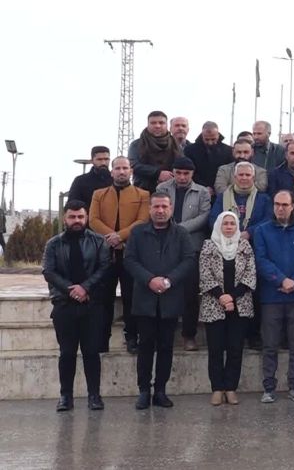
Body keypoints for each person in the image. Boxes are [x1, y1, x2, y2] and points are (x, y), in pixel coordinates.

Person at [125, 192, 197, 409]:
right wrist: (150, 280)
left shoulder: (181, 233)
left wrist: (169, 280)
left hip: (170, 298)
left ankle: (161, 390)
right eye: (156, 206)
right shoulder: (138, 232)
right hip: (145, 299)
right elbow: (129, 260)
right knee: (145, 346)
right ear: (150, 208)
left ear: (171, 208)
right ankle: (144, 391)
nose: (160, 211)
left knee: (166, 347)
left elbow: (189, 260)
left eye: (164, 206)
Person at [43, 200, 111, 412]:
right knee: (67, 353)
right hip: (64, 305)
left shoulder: (99, 242)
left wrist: (85, 288)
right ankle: (65, 397)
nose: (77, 221)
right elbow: (49, 271)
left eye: (80, 217)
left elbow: (105, 268)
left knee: (92, 352)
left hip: (91, 306)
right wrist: (71, 290)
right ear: (65, 218)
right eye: (72, 217)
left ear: (86, 218)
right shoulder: (53, 244)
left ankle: (94, 396)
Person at [254, 190, 294, 403]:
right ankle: (269, 387)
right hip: (272, 295)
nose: (280, 208)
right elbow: (261, 260)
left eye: (284, 204)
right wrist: (281, 280)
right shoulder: (262, 230)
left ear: (292, 206)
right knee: (270, 344)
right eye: (277, 204)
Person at [88, 156, 149, 353]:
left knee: (131, 297)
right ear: (112, 171)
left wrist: (120, 236)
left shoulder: (143, 194)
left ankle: (131, 337)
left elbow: (142, 220)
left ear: (131, 171)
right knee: (104, 298)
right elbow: (93, 219)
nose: (121, 172)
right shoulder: (99, 194)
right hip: (105, 254)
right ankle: (101, 339)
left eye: (125, 168)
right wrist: (110, 237)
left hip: (130, 253)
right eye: (118, 168)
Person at [199, 212, 256, 406]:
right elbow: (204, 274)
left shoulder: (245, 245)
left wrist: (232, 297)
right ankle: (217, 388)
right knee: (215, 349)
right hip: (214, 304)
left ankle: (231, 388)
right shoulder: (209, 245)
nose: (229, 227)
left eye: (233, 223)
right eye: (226, 224)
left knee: (235, 349)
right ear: (218, 226)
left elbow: (250, 275)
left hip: (240, 306)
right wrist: (221, 297)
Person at [156, 156, 212, 352]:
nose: (181, 177)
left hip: (191, 246)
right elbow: (157, 210)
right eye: (178, 172)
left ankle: (189, 335)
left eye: (186, 173)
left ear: (192, 174)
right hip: (165, 245)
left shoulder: (202, 192)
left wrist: (179, 228)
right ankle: (164, 334)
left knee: (190, 291)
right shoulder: (162, 189)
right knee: (165, 289)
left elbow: (204, 216)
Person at [209, 162, 272, 237]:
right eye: (241, 175)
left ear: (253, 178)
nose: (244, 178)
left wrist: (249, 232)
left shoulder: (264, 199)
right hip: (225, 240)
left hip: (254, 240)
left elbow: (268, 220)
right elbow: (213, 219)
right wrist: (229, 233)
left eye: (248, 175)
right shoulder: (222, 197)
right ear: (235, 177)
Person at [128, 111, 183, 191]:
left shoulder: (176, 145)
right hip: (143, 190)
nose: (157, 126)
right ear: (148, 124)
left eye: (161, 123)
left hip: (171, 190)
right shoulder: (136, 145)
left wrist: (171, 175)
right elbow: (133, 165)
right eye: (153, 123)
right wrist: (157, 173)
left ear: (167, 125)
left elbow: (182, 164)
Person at [184, 121, 233, 189]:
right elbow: (189, 171)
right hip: (196, 188)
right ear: (202, 135)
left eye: (213, 139)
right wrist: (203, 187)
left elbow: (229, 172)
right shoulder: (190, 150)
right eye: (206, 139)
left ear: (218, 135)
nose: (210, 142)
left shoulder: (228, 151)